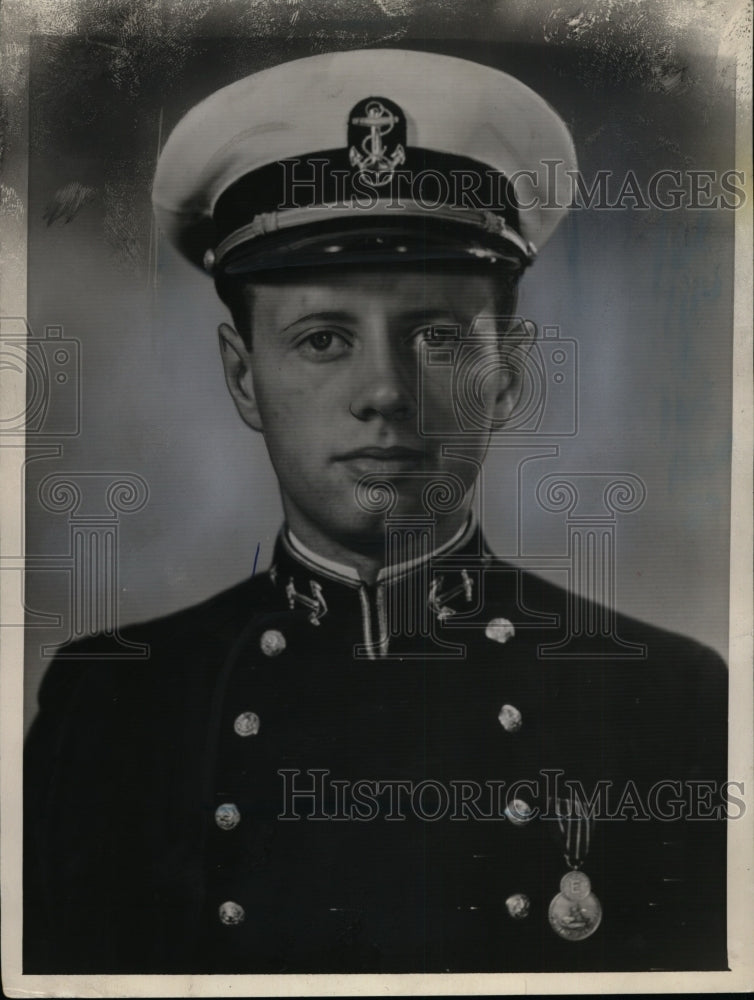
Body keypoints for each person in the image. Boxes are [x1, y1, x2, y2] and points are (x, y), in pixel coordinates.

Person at [23, 47, 728, 975]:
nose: (385, 393)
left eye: (437, 336)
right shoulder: (108, 708)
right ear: (244, 375)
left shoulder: (671, 703)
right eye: (323, 340)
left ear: (505, 372)